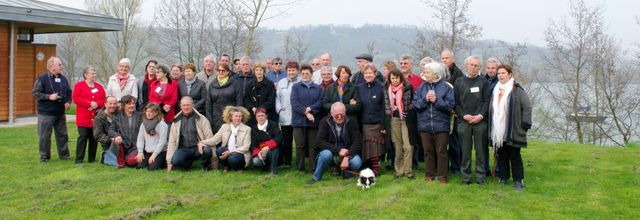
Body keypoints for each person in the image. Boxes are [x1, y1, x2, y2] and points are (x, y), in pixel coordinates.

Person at [489, 64, 532, 191]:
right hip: (499, 130)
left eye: (503, 73)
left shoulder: (517, 90)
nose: (500, 75)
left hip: (514, 128)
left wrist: (525, 124)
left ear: (510, 74)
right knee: (501, 154)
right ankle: (503, 178)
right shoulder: (496, 89)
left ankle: (519, 181)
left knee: (514, 155)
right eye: (499, 73)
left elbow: (527, 107)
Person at [414, 62, 455, 183]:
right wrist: (425, 99)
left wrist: (437, 100)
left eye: (427, 72)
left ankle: (442, 176)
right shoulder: (422, 87)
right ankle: (429, 176)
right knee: (428, 152)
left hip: (441, 125)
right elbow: (416, 105)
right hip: (425, 125)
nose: (424, 74)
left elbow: (450, 106)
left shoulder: (447, 87)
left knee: (441, 152)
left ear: (435, 74)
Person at [455, 56, 491, 184]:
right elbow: (456, 103)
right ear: (466, 65)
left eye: (476, 65)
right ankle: (466, 177)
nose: (473, 67)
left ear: (479, 67)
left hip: (480, 122)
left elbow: (487, 101)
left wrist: (480, 115)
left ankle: (481, 178)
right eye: (471, 65)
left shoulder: (483, 82)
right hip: (464, 121)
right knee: (465, 151)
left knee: (481, 151)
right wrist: (463, 115)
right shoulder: (459, 82)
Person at [307, 102, 362, 185]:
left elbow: (357, 141)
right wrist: (338, 150)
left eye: (342, 114)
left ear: (345, 112)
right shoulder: (324, 122)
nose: (339, 117)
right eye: (337, 115)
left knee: (357, 162)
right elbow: (319, 141)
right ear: (331, 113)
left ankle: (346, 172)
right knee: (325, 154)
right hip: (332, 152)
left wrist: (347, 156)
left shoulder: (352, 121)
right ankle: (316, 177)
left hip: (347, 152)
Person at [32, 56, 72, 162]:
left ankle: (65, 156)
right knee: (44, 136)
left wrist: (68, 102)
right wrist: (49, 97)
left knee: (62, 135)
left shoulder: (63, 78)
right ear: (51, 66)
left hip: (60, 113)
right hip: (46, 113)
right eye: (59, 64)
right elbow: (35, 93)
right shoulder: (42, 78)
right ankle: (45, 157)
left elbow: (69, 92)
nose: (61, 66)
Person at [166, 96, 215, 171]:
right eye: (183, 105)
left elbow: (210, 138)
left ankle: (205, 166)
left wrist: (214, 159)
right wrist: (169, 161)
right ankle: (188, 163)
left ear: (192, 105)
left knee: (207, 150)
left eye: (188, 105)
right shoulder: (176, 121)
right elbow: (172, 141)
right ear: (180, 106)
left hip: (198, 148)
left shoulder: (202, 119)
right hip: (183, 149)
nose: (186, 107)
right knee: (175, 161)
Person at [290, 64, 324, 172]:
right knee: (300, 145)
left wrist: (311, 109)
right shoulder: (296, 87)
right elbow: (294, 103)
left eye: (307, 73)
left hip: (313, 122)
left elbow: (321, 102)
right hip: (299, 122)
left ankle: (313, 167)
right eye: (303, 73)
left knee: (313, 146)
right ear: (300, 75)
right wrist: (306, 112)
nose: (305, 75)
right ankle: (300, 168)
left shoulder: (318, 88)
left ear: (311, 75)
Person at [384, 68, 415, 179]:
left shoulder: (408, 87)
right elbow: (385, 105)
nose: (395, 80)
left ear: (400, 77)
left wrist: (408, 109)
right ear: (389, 79)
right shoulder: (386, 88)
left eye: (397, 78)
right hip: (394, 119)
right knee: (397, 146)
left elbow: (413, 101)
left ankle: (408, 172)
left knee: (408, 146)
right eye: (392, 78)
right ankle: (399, 171)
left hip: (405, 119)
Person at [201, 106, 252, 171]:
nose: (238, 118)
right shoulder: (224, 126)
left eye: (240, 116)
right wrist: (202, 142)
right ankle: (226, 167)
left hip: (240, 153)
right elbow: (215, 140)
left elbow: (246, 147)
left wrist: (230, 152)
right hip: (228, 151)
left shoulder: (247, 129)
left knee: (232, 159)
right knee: (219, 150)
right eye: (236, 116)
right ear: (231, 117)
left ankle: (239, 168)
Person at [72, 66, 106, 163]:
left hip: (96, 117)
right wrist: (89, 103)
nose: (94, 75)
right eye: (92, 73)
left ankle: (91, 159)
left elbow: (103, 100)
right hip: (83, 117)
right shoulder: (79, 85)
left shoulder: (99, 87)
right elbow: (76, 98)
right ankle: (79, 159)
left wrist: (97, 104)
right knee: (82, 137)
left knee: (94, 138)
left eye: (95, 73)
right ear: (86, 75)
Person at [357, 63, 386, 176]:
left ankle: (376, 168)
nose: (368, 75)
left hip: (378, 122)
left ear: (375, 74)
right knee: (367, 147)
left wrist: (384, 125)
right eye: (366, 73)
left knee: (375, 147)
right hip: (364, 123)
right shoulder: (359, 88)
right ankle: (368, 168)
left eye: (370, 73)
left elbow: (384, 107)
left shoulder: (381, 87)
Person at [399, 55, 423, 169]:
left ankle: (414, 163)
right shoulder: (395, 78)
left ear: (411, 65)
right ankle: (400, 163)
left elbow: (421, 96)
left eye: (405, 63)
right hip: (398, 114)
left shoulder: (418, 80)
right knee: (399, 140)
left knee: (413, 138)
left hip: (413, 113)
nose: (403, 65)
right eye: (401, 63)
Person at [441, 49, 463, 174]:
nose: (444, 60)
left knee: (454, 141)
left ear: (452, 59)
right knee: (444, 141)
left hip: (454, 112)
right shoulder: (441, 72)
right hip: (443, 110)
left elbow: (457, 93)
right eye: (443, 58)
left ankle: (456, 167)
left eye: (447, 58)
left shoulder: (457, 73)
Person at [206, 63, 243, 133]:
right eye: (219, 70)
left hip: (230, 117)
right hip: (215, 118)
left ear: (228, 72)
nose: (221, 72)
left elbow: (239, 102)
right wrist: (209, 119)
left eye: (223, 70)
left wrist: (237, 117)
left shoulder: (235, 84)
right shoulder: (212, 84)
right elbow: (208, 103)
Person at [275, 61, 300, 168]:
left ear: (297, 71)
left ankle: (300, 162)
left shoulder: (301, 81)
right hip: (285, 116)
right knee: (287, 141)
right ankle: (287, 162)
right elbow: (277, 98)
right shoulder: (281, 82)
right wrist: (280, 110)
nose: (291, 72)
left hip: (298, 116)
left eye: (293, 70)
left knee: (299, 141)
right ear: (286, 71)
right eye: (289, 70)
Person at [108, 95, 142, 168]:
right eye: (129, 104)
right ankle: (121, 162)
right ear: (123, 105)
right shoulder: (118, 116)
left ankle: (128, 160)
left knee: (130, 161)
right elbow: (111, 130)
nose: (132, 105)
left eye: (133, 103)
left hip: (136, 146)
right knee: (116, 140)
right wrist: (116, 135)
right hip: (123, 144)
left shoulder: (140, 116)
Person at [135, 103, 168, 170]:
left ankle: (164, 162)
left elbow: (162, 142)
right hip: (148, 151)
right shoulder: (143, 124)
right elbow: (140, 139)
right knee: (139, 166)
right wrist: (140, 152)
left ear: (156, 113)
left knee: (151, 168)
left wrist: (154, 155)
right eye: (147, 111)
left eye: (151, 112)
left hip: (161, 151)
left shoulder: (162, 124)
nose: (148, 113)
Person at [250, 108, 282, 174]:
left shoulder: (273, 125)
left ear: (266, 116)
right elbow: (253, 144)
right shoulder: (253, 128)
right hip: (260, 151)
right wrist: (258, 153)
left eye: (262, 115)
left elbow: (279, 137)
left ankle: (273, 169)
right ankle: (266, 166)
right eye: (258, 116)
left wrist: (268, 146)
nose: (261, 118)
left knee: (274, 149)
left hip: (272, 150)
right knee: (256, 161)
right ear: (256, 117)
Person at [94, 96, 118, 163]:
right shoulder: (99, 118)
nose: (112, 106)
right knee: (114, 162)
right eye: (110, 103)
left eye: (114, 103)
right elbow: (98, 135)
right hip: (108, 143)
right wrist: (111, 139)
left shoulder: (118, 114)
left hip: (120, 140)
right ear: (105, 104)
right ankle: (104, 154)